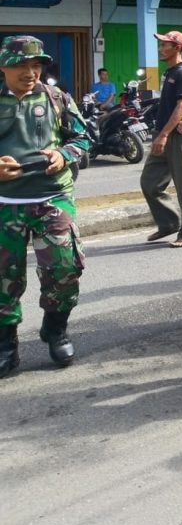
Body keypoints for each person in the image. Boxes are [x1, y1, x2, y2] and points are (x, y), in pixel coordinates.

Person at [0, 36, 90, 378]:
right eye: (21, 65)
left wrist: (63, 155)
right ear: (3, 67)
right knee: (3, 278)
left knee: (64, 269)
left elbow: (82, 137)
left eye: (36, 65)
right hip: (5, 202)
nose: (30, 72)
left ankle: (56, 330)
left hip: (53, 197)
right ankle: (6, 345)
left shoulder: (56, 98)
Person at [140, 30, 182, 248]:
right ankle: (169, 222)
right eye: (161, 44)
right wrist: (159, 134)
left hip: (177, 136)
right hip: (162, 134)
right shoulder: (170, 72)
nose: (160, 48)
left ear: (178, 48)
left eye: (165, 44)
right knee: (149, 182)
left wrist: (164, 134)